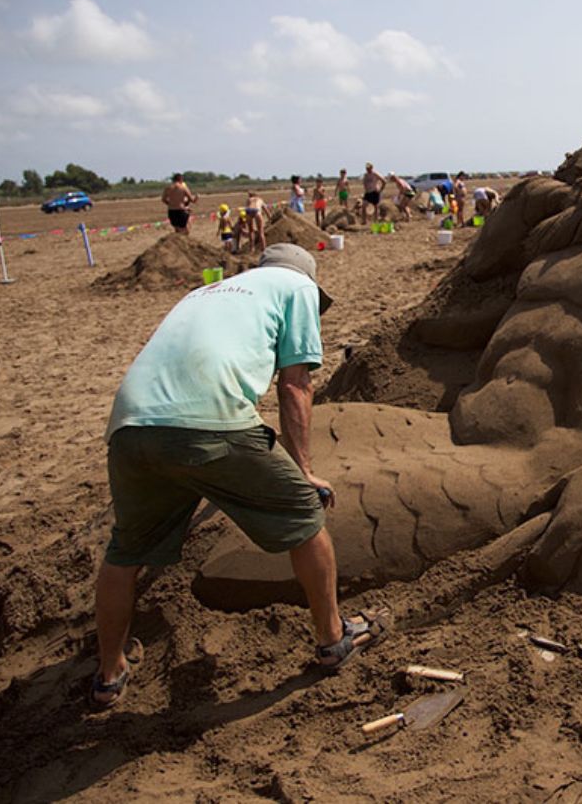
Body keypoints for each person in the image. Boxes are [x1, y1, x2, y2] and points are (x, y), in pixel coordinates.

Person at [200, 79, 582, 604]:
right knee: (237, 461)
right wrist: (525, 203)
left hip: (534, 461)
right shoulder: (576, 238)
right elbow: (480, 273)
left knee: (252, 545)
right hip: (445, 429)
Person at [91, 244, 384, 708]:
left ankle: (110, 673)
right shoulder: (297, 288)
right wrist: (303, 469)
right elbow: (295, 384)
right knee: (305, 512)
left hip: (129, 426)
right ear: (307, 279)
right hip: (209, 420)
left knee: (125, 550)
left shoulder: (205, 292)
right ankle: (334, 639)